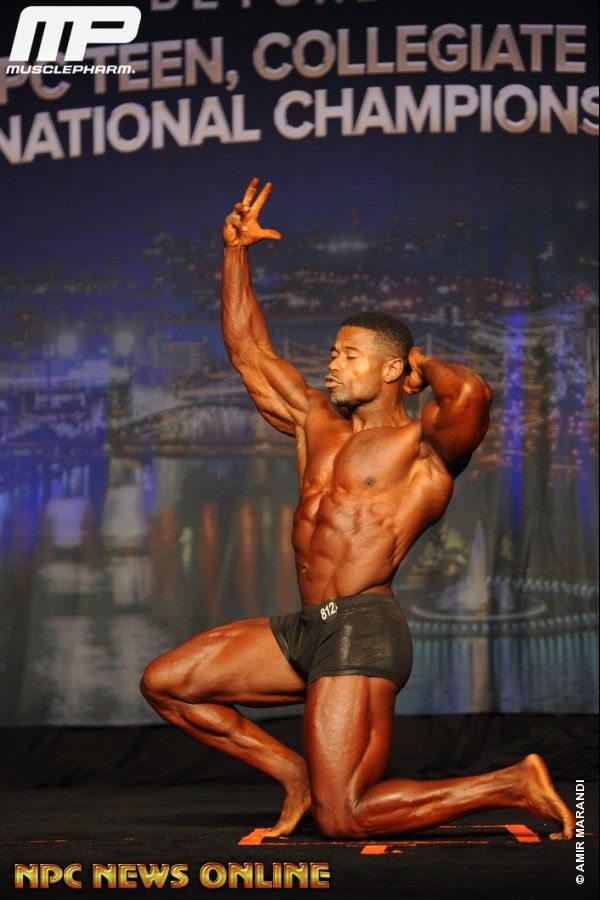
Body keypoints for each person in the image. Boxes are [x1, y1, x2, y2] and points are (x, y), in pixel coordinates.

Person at [141, 178, 574, 841]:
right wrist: (234, 253)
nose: (332, 365)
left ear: (391, 369)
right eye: (333, 353)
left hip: (363, 628)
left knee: (345, 816)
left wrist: (421, 360)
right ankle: (293, 775)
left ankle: (509, 784)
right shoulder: (314, 420)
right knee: (168, 682)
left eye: (349, 355)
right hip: (309, 626)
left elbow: (473, 396)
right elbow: (249, 351)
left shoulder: (423, 449)